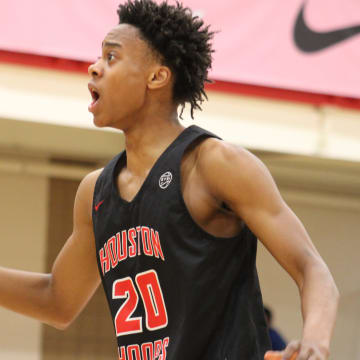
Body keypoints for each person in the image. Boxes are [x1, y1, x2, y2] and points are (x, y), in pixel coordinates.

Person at [0, 1, 339, 359]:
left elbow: (312, 269)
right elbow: (57, 301)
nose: (94, 67)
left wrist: (314, 344)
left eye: (111, 57)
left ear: (157, 77)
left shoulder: (214, 165)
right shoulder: (94, 193)